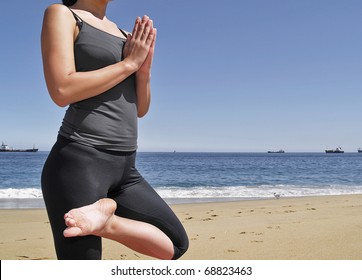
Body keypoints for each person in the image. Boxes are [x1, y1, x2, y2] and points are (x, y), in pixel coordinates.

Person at [41, 0, 189, 260]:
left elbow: (140, 109)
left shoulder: (125, 35)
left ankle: (107, 223)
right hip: (79, 162)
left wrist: (143, 71)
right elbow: (61, 90)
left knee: (175, 244)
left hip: (125, 168)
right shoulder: (64, 15)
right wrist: (128, 64)